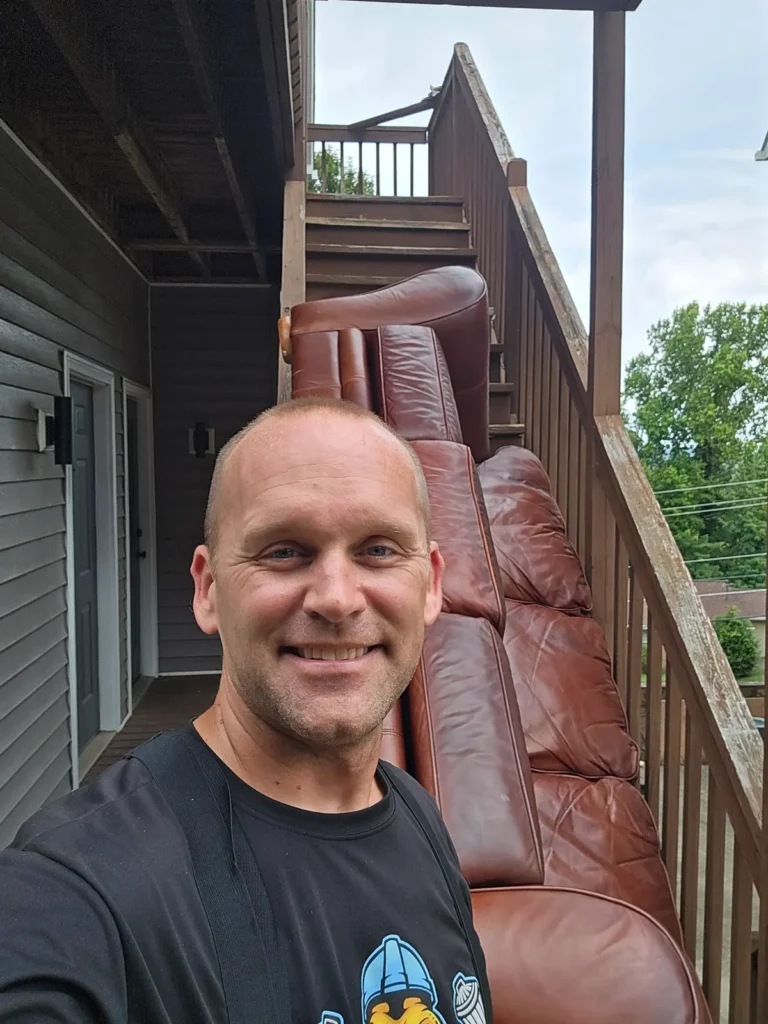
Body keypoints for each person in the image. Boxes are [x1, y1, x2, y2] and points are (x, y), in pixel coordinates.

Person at [0, 397, 492, 1024]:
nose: (337, 599)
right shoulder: (81, 884)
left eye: (378, 550)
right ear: (207, 590)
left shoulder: (417, 816)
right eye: (285, 551)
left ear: (431, 584)